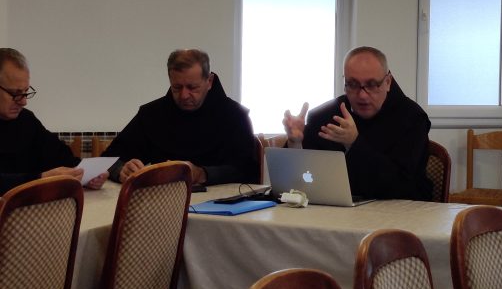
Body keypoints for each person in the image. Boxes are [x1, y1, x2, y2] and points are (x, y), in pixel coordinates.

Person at [283, 46, 432, 200]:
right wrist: (295, 143)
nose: (362, 95)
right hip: (331, 209)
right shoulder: (325, 116)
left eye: (372, 85)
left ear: (388, 82)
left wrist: (354, 143)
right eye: (353, 84)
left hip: (400, 210)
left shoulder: (412, 119)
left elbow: (400, 184)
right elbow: (297, 182)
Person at [104, 49, 257, 185]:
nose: (184, 95)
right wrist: (122, 170)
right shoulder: (151, 115)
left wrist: (202, 174)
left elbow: (248, 170)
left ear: (209, 82)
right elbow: (108, 160)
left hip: (222, 202)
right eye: (177, 87)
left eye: (192, 87)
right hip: (162, 200)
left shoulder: (235, 115)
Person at [0, 48, 107, 193]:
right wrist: (39, 179)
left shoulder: (26, 120)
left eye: (26, 92)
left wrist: (87, 174)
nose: (24, 102)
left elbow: (60, 157)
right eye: (15, 93)